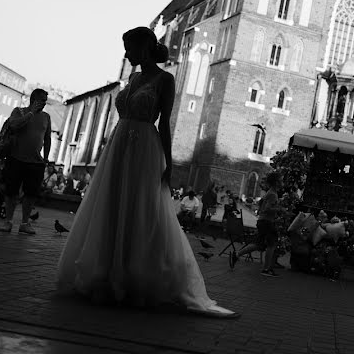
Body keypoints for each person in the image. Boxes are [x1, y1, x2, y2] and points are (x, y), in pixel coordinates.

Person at [57, 26, 236, 318]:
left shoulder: (165, 79)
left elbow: (164, 123)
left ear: (143, 48)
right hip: (118, 148)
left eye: (129, 49)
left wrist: (169, 162)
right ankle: (105, 272)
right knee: (113, 207)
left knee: (140, 209)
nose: (126, 55)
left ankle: (135, 276)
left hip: (144, 150)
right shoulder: (133, 77)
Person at [0, 89, 52, 235]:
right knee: (11, 192)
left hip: (36, 162)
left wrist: (45, 157)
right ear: (34, 99)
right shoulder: (19, 111)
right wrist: (31, 113)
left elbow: (47, 138)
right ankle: (8, 221)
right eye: (42, 100)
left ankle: (25, 223)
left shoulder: (46, 117)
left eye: (45, 100)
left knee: (31, 194)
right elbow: (14, 126)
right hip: (16, 158)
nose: (44, 103)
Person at [231, 172, 284, 277]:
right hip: (267, 222)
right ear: (276, 182)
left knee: (258, 244)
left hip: (263, 221)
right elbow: (267, 208)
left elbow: (262, 208)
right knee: (272, 244)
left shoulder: (270, 192)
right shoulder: (273, 194)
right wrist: (280, 209)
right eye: (281, 180)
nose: (282, 182)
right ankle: (266, 269)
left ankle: (237, 254)